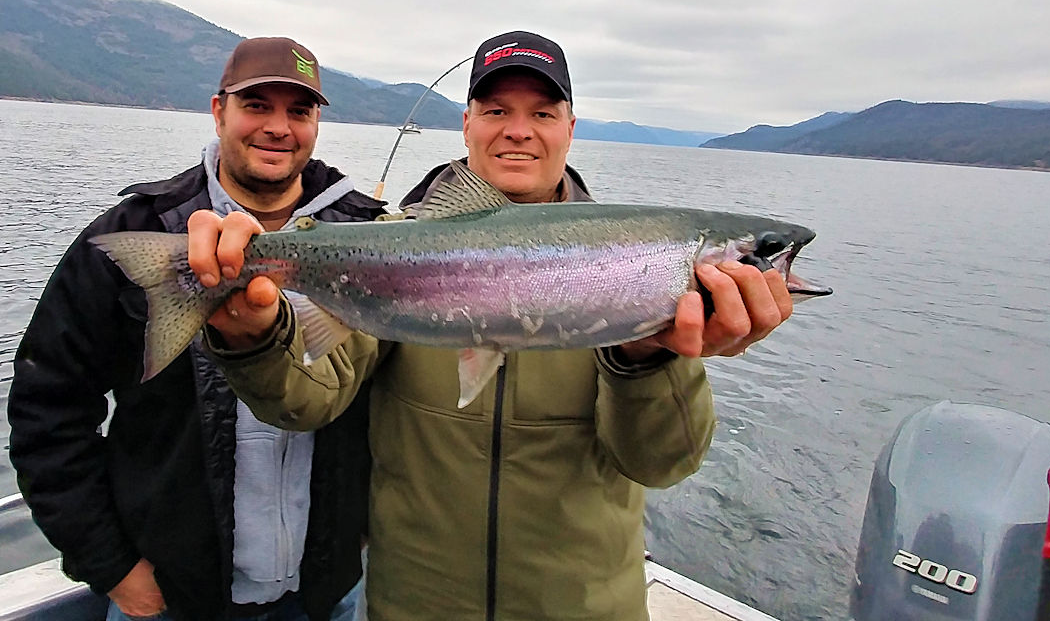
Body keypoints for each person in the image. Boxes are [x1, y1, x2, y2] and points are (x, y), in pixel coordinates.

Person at [186, 31, 795, 620]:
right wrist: (253, 338)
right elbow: (306, 400)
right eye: (496, 108)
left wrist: (647, 356)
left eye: (544, 113)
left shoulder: (632, 270)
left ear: (571, 128)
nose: (519, 130)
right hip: (414, 606)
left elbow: (662, 464)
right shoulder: (392, 239)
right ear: (467, 124)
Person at [7, 37, 384, 621]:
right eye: (256, 105)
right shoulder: (134, 233)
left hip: (325, 594)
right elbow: (47, 408)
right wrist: (111, 566)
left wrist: (359, 538)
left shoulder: (371, 234)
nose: (278, 128)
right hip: (172, 598)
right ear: (218, 111)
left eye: (299, 111)